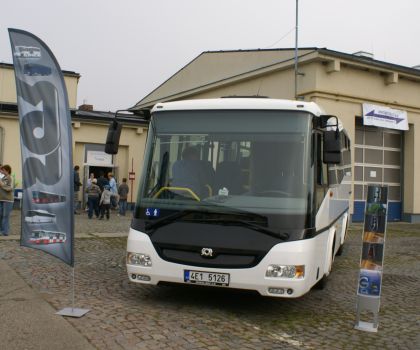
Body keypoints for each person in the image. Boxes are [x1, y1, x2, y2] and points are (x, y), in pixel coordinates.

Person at [0, 165, 14, 236]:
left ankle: (5, 232)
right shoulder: (3, 178)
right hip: (2, 199)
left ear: (7, 170)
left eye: (3, 170)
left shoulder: (10, 177)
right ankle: (2, 231)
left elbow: (10, 188)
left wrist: (1, 184)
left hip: (8, 200)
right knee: (1, 215)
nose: (1, 171)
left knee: (5, 216)